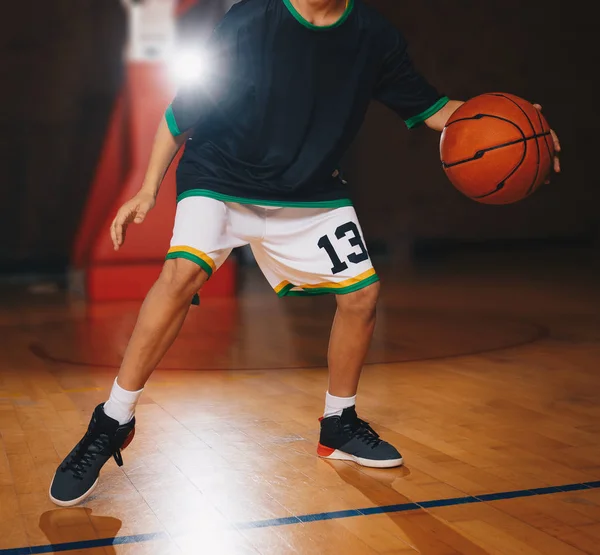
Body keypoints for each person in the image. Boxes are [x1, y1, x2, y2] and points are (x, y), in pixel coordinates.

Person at [49, 0, 561, 506]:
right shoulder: (252, 19)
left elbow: (437, 112)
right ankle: (113, 419)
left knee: (363, 296)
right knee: (183, 272)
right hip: (221, 174)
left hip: (309, 188)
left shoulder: (372, 35)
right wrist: (147, 189)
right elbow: (181, 115)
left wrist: (515, 126)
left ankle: (338, 423)